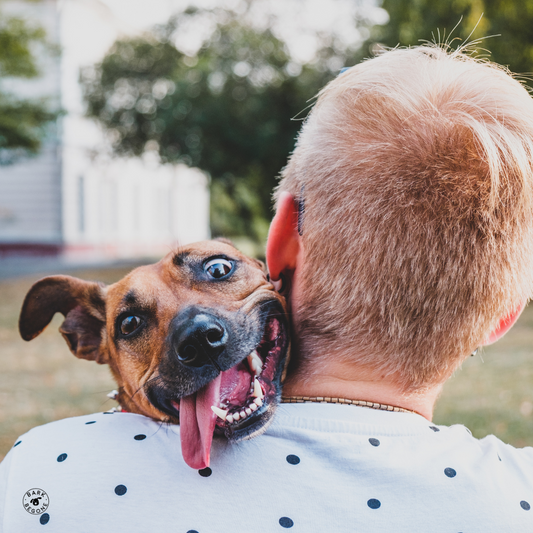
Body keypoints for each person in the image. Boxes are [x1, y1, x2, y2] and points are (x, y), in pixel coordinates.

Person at [2, 44, 533, 531]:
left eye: (215, 272)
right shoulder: (516, 497)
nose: (195, 326)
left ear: (277, 246)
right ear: (504, 314)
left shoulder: (43, 473)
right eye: (135, 323)